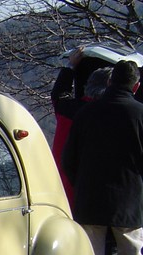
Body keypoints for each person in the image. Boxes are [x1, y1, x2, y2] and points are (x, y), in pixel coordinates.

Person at [62, 60, 143, 255]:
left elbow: (69, 159)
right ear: (136, 85)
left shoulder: (86, 113)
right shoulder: (140, 114)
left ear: (109, 82)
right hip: (130, 201)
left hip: (91, 200)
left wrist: (82, 185)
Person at [51, 48, 111, 206]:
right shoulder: (109, 116)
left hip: (60, 192)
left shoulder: (66, 109)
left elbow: (59, 94)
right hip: (95, 198)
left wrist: (70, 66)